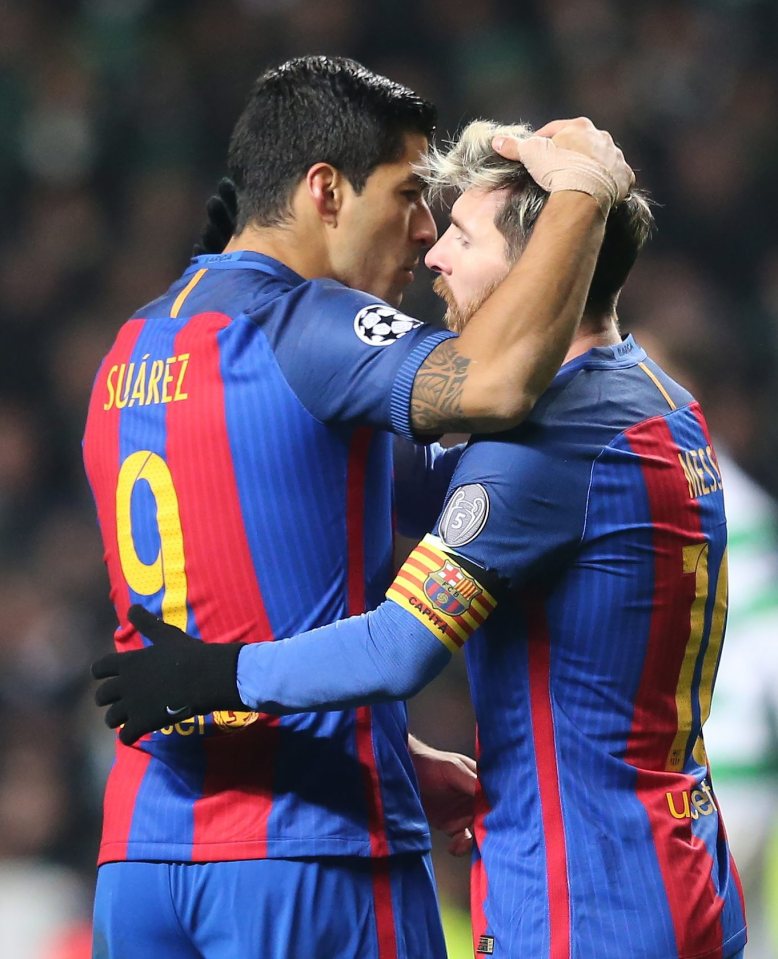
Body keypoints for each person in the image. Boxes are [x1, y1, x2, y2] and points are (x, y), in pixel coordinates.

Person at [97, 118, 747, 959]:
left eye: (464, 237)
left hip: (587, 903)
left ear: (537, 266)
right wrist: (247, 326)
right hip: (662, 859)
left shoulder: (547, 448)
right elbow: (394, 472)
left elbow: (401, 646)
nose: (434, 253)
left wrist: (220, 673)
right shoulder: (650, 401)